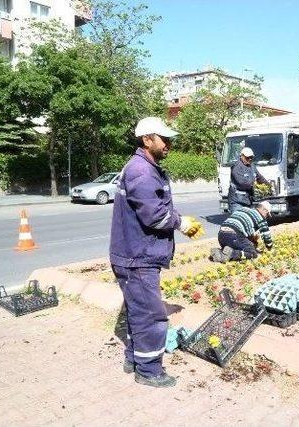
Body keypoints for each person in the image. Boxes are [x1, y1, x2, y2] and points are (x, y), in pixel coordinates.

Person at [109, 117, 198, 388]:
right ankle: (148, 371)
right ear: (147, 139)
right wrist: (182, 223)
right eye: (164, 139)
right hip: (138, 257)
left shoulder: (145, 167)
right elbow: (154, 216)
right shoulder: (142, 171)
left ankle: (133, 359)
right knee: (150, 314)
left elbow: (157, 206)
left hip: (134, 254)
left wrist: (178, 218)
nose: (168, 144)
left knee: (137, 312)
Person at [228, 147, 270, 213]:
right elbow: (242, 182)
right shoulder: (236, 167)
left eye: (251, 157)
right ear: (242, 156)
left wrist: (268, 185)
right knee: (239, 220)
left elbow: (259, 177)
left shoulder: (252, 166)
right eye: (247, 157)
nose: (250, 159)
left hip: (248, 200)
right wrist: (255, 186)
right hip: (237, 201)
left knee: (247, 221)